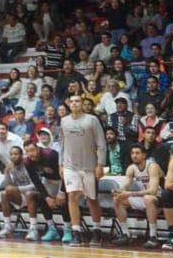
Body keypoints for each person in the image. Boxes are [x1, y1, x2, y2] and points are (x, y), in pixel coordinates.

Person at [58, 95, 106, 246]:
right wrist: (60, 164)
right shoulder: (64, 121)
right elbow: (61, 144)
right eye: (71, 101)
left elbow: (101, 143)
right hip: (70, 166)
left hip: (89, 166)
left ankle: (97, 230)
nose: (74, 103)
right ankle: (76, 232)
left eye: (77, 101)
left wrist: (100, 164)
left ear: (82, 104)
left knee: (92, 199)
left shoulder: (92, 120)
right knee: (72, 197)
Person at [111, 143, 163, 248]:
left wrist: (130, 193)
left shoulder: (152, 166)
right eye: (132, 153)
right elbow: (125, 184)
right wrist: (118, 191)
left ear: (144, 155)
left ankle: (153, 236)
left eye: (137, 153)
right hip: (144, 198)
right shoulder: (132, 168)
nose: (134, 155)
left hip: (160, 200)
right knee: (117, 199)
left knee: (148, 198)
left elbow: (153, 191)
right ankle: (125, 234)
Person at [0, 146, 45, 240]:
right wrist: (7, 172)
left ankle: (33, 229)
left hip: (36, 195)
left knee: (28, 194)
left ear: (22, 155)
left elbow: (36, 185)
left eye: (16, 154)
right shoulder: (10, 167)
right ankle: (7, 226)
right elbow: (7, 186)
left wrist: (17, 189)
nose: (13, 156)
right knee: (4, 194)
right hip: (22, 196)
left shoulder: (28, 165)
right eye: (11, 154)